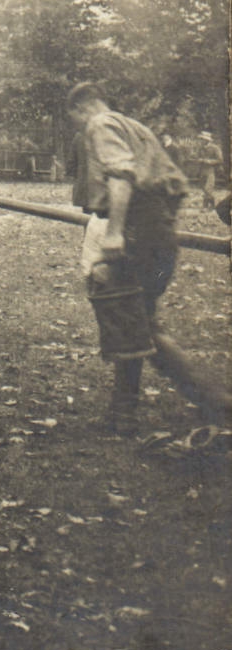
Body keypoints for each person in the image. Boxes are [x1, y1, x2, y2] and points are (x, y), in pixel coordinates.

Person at [67, 83, 230, 434]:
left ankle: (216, 401)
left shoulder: (99, 124)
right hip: (158, 229)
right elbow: (173, 183)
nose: (80, 129)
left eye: (75, 121)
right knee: (139, 320)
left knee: (133, 320)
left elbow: (122, 175)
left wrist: (115, 232)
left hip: (137, 228)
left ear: (81, 108)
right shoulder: (135, 127)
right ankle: (125, 410)